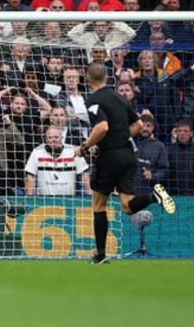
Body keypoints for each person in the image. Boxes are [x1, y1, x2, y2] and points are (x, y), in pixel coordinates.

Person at [73, 63, 175, 264]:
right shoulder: (119, 98)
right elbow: (138, 124)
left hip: (110, 156)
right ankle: (154, 196)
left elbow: (102, 127)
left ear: (87, 78)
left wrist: (84, 147)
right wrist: (120, 137)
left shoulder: (93, 99)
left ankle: (100, 255)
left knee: (99, 204)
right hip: (128, 155)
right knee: (128, 206)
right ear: (105, 78)